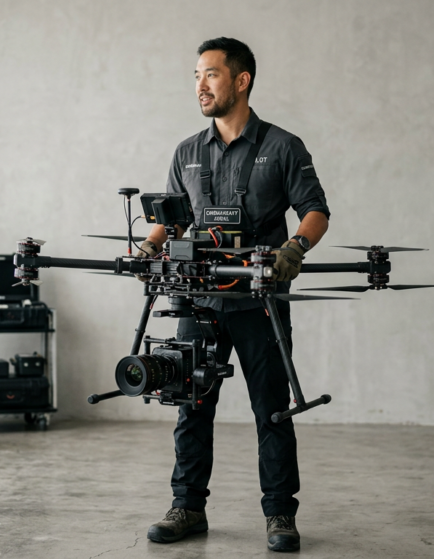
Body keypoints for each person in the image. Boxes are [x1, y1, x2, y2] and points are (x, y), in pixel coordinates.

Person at [133, 37, 330, 552]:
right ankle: (187, 507)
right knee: (190, 405)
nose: (200, 85)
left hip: (259, 302)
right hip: (197, 300)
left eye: (211, 74)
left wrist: (295, 248)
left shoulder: (283, 146)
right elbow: (170, 219)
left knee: (272, 409)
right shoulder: (186, 152)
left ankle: (280, 514)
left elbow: (315, 210)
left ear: (241, 81)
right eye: (196, 75)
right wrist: (147, 249)